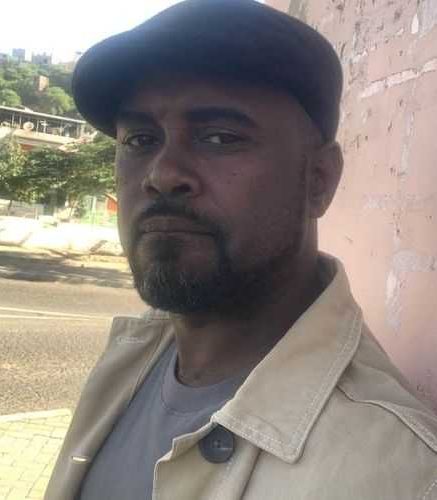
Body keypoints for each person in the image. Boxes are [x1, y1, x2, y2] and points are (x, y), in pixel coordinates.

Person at [45, 1, 437, 499]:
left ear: (318, 180)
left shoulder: (401, 475)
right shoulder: (130, 356)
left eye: (220, 137)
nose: (162, 174)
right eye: (140, 139)